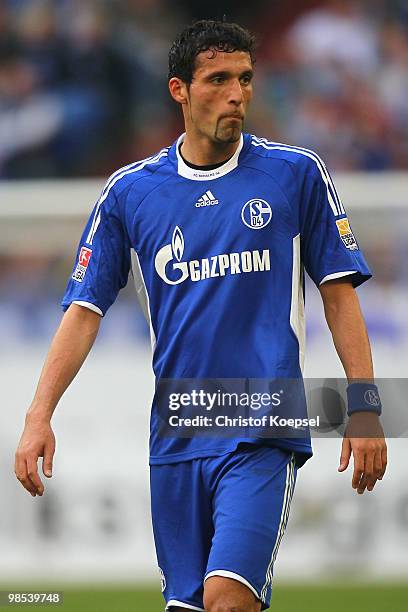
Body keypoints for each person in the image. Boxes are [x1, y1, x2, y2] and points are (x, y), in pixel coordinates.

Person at [15, 19, 387, 612]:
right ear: (179, 91)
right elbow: (84, 310)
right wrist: (38, 417)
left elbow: (340, 294)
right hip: (178, 433)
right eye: (218, 80)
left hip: (263, 425)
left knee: (227, 600)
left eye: (245, 78)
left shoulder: (294, 174)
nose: (237, 93)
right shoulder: (130, 193)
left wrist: (365, 407)